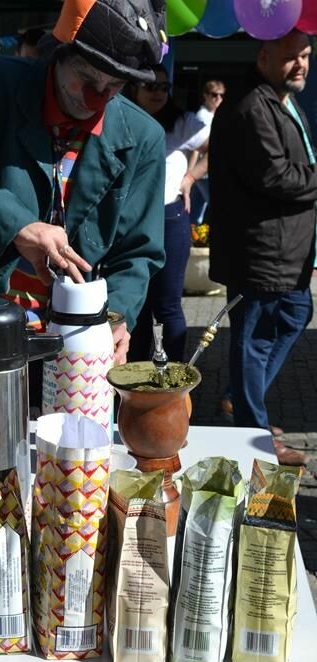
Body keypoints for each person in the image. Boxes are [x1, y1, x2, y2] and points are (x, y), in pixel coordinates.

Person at [0, 0, 168, 392]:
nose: (96, 99)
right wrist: (17, 226)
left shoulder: (144, 138)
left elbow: (138, 253)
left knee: (72, 450)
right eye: (87, 79)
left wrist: (117, 317)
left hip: (78, 344)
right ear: (58, 53)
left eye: (112, 88)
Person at [209, 28, 316, 466]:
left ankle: (239, 396)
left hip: (288, 250)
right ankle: (254, 438)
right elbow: (276, 178)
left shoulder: (282, 102)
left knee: (296, 313)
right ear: (264, 57)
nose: (302, 64)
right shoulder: (253, 106)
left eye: (306, 55)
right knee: (253, 341)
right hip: (260, 251)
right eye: (292, 56)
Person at [128, 64, 209, 362]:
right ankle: (132, 376)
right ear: (134, 87)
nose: (159, 93)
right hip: (130, 223)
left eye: (164, 87)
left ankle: (172, 377)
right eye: (152, 86)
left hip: (170, 218)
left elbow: (216, 146)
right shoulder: (120, 117)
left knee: (168, 305)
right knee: (135, 304)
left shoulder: (181, 122)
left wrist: (190, 178)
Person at [189, 78, 225, 224]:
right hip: (203, 172)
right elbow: (195, 147)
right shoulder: (202, 117)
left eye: (222, 95)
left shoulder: (213, 115)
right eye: (214, 95)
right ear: (206, 95)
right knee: (219, 208)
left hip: (205, 171)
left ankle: (192, 239)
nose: (219, 98)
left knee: (195, 213)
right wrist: (190, 173)